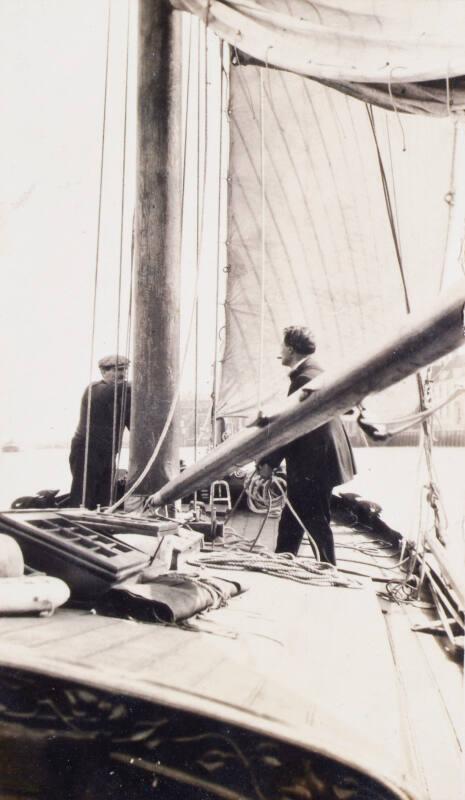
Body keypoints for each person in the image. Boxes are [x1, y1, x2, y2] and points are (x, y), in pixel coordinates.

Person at [258, 327, 355, 565]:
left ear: (291, 349)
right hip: (319, 460)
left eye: (282, 346)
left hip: (314, 463)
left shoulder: (304, 379)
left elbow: (290, 426)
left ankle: (328, 570)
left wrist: (269, 462)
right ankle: (282, 561)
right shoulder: (315, 372)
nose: (280, 351)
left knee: (314, 519)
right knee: (294, 517)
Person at [68, 355, 131, 509]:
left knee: (105, 498)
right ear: (103, 372)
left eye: (125, 370)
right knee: (83, 497)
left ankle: (102, 519)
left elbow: (134, 426)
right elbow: (108, 394)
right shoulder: (95, 390)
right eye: (118, 370)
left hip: (109, 454)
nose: (123, 374)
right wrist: (139, 383)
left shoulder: (125, 397)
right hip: (86, 451)